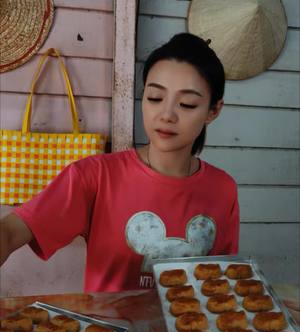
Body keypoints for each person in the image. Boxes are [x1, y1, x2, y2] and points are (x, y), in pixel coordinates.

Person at [0, 33, 239, 292]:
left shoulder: (222, 189)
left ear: (213, 111)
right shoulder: (95, 176)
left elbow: (221, 280)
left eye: (187, 104)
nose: (166, 115)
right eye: (155, 98)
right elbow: (11, 232)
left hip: (191, 331)